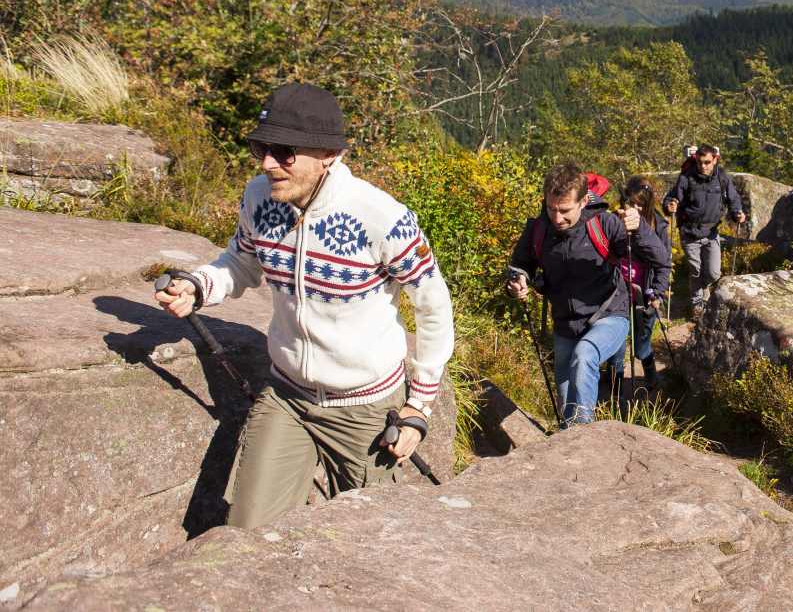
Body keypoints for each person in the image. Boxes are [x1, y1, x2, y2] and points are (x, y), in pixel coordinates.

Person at [154, 82, 453, 529]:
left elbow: (433, 304)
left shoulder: (382, 217)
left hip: (365, 408)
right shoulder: (259, 197)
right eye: (261, 147)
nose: (267, 163)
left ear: (328, 155)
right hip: (287, 395)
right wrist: (198, 287)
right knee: (245, 534)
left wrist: (419, 407)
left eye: (284, 151)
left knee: (369, 540)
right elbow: (241, 262)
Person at [506, 162, 669, 425]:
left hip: (610, 315)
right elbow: (519, 266)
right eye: (551, 209)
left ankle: (584, 442)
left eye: (564, 210)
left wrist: (638, 228)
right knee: (568, 401)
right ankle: (574, 445)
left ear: (583, 201)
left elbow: (659, 257)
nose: (557, 218)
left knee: (585, 357)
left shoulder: (604, 223)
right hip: (565, 324)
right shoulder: (539, 229)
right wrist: (518, 282)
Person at [663, 144, 745, 317]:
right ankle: (697, 305)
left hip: (712, 233)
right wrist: (669, 205)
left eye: (707, 162)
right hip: (690, 232)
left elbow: (733, 198)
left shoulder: (721, 177)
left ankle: (705, 290)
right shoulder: (687, 177)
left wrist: (738, 212)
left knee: (714, 273)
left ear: (715, 159)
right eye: (700, 162)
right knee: (695, 270)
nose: (703, 166)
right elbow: (672, 197)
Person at [608, 176, 672, 391]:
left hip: (645, 291)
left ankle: (651, 377)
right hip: (618, 289)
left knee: (642, 340)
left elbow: (664, 264)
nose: (635, 208)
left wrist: (658, 292)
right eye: (631, 203)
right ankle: (614, 383)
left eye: (640, 204)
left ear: (648, 205)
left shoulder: (658, 224)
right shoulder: (615, 219)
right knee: (616, 336)